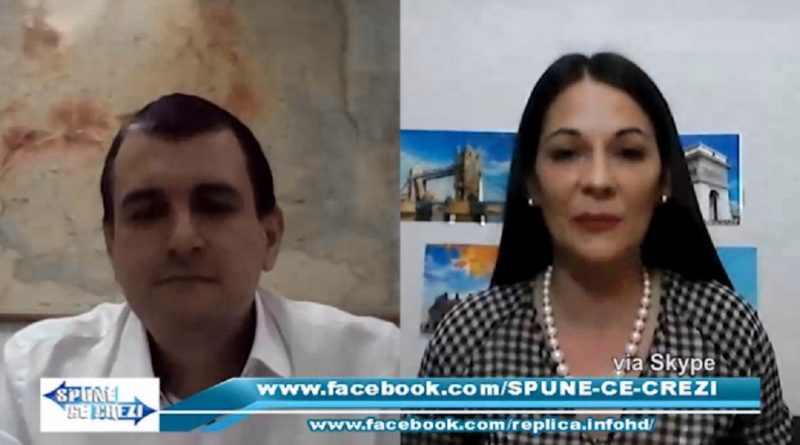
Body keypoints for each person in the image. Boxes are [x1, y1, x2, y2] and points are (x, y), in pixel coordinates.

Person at [403, 53, 791, 444]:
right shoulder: (466, 337)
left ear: (665, 181)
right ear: (532, 182)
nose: (598, 180)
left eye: (629, 152)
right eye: (566, 153)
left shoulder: (729, 328)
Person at [0, 93, 400, 445]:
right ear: (111, 245)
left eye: (214, 206)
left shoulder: (374, 370)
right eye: (148, 212)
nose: (182, 239)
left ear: (270, 237)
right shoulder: (33, 379)